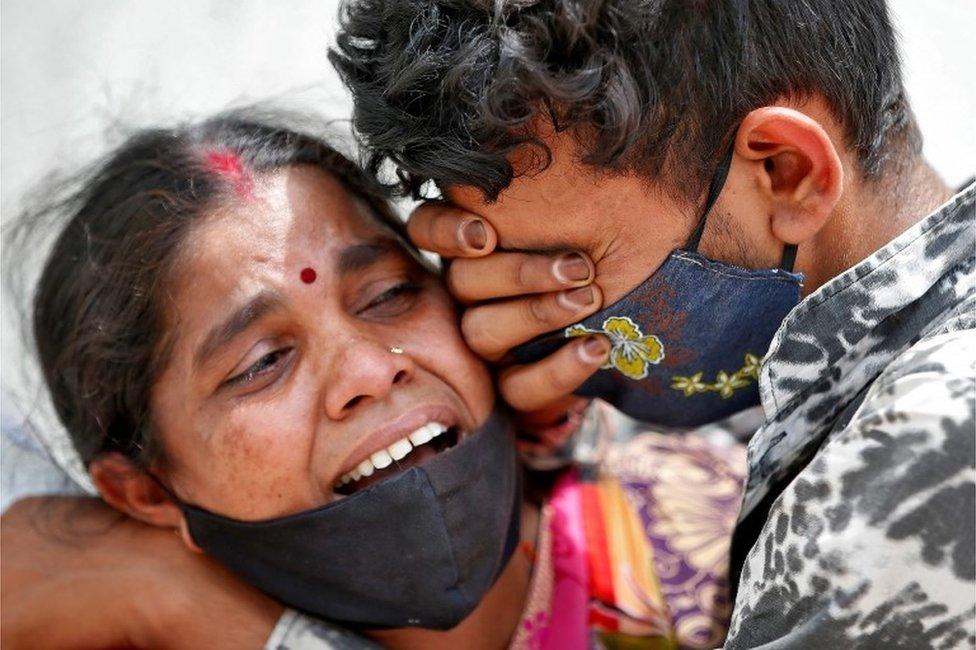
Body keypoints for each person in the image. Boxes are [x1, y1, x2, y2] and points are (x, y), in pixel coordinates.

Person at [328, 0, 976, 646]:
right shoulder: (850, 379)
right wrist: (550, 430)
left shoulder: (902, 467)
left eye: (564, 265)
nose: (526, 318)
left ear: (787, 170)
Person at [1, 114, 746, 649]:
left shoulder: (713, 533)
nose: (370, 368)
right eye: (263, 363)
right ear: (148, 494)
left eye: (391, 295)